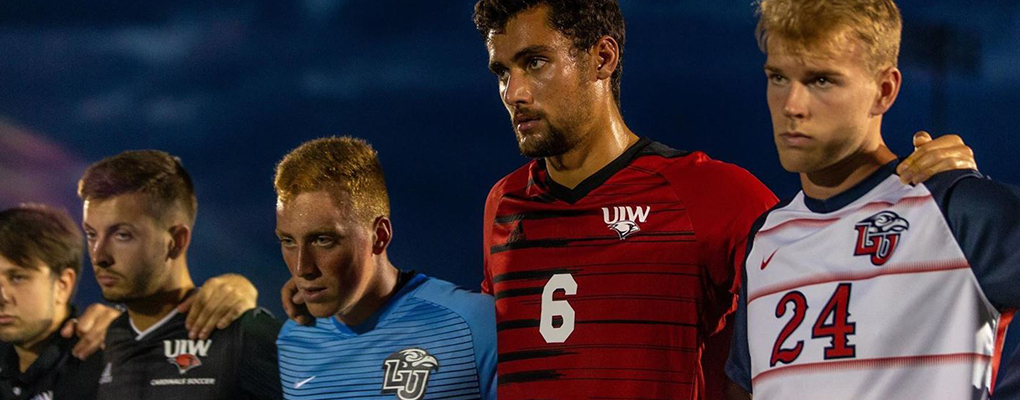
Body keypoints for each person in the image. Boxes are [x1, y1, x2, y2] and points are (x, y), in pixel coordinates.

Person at [470, 1, 978, 399]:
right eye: (501, 72)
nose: (513, 91)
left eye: (535, 63)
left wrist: (918, 198)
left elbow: (843, 287)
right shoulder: (505, 204)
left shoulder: (712, 195)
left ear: (603, 58)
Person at [724, 1, 1019, 399]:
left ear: (884, 90)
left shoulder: (953, 208)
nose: (791, 105)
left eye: (821, 81)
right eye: (778, 77)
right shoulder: (765, 238)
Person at [273, 137, 495, 400]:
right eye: (288, 241)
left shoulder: (474, 326)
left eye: (323, 240)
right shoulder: (292, 342)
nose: (302, 268)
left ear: (379, 236)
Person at [79, 150, 282, 399]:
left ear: (176, 241)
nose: (99, 256)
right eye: (91, 235)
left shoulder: (240, 334)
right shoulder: (100, 341)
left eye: (122, 235)